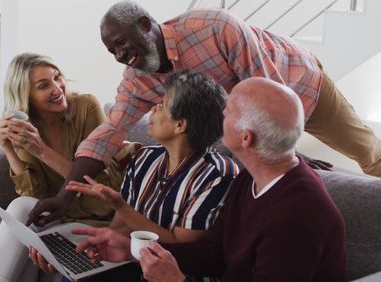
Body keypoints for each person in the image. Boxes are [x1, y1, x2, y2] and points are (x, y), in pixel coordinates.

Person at [27, 0, 381, 227]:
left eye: (122, 44)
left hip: (295, 82)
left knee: (367, 151)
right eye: (113, 52)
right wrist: (64, 197)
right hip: (244, 118)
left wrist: (285, 154)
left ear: (146, 25)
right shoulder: (137, 78)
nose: (122, 56)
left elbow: (266, 87)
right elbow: (109, 133)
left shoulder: (214, 27)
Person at [70, 77, 347, 281]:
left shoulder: (296, 218)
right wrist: (134, 251)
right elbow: (213, 253)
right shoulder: (252, 179)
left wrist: (176, 281)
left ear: (245, 137)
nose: (220, 116)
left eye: (228, 113)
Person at [28, 70, 240, 281]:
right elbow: (118, 230)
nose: (153, 109)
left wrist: (120, 205)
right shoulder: (144, 158)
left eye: (163, 104)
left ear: (180, 125)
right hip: (134, 260)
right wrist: (75, 258)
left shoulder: (217, 174)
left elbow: (179, 250)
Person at [0, 53, 134, 282]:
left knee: (24, 245)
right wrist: (9, 150)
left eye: (57, 77)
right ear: (27, 96)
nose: (57, 88)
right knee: (22, 207)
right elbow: (35, 197)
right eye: (44, 85)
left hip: (99, 214)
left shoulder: (87, 107)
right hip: (59, 218)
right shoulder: (26, 126)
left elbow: (100, 186)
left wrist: (42, 150)